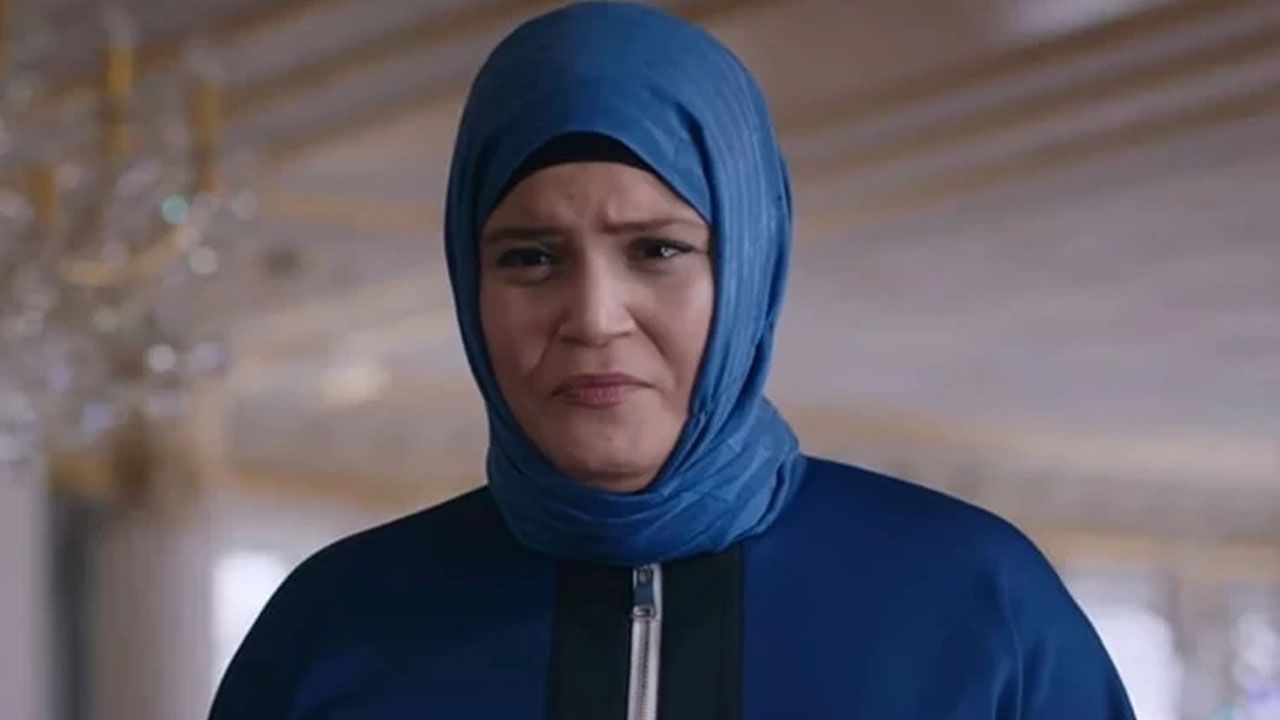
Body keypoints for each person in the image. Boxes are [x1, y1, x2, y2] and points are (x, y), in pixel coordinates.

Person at [209, 3, 1136, 718]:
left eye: (656, 250)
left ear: (749, 268)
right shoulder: (336, 626)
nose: (592, 318)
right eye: (529, 258)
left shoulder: (975, 604)